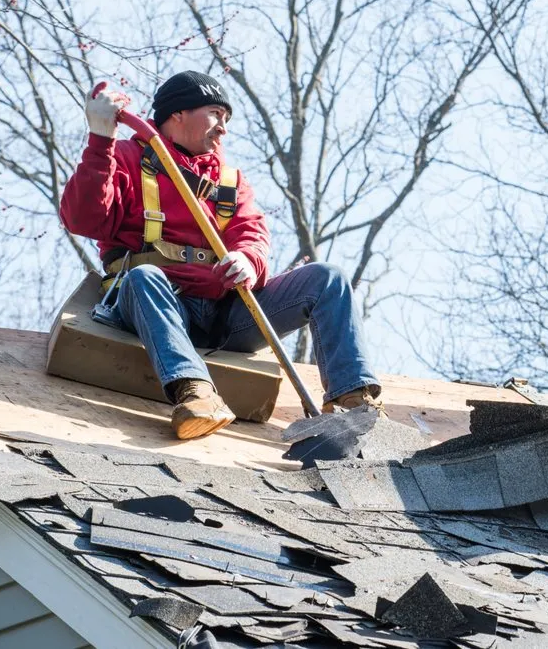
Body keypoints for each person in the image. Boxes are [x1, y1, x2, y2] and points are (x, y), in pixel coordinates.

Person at [60, 71, 381, 440]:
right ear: (178, 114)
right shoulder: (129, 158)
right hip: (158, 305)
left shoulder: (228, 181)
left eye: (226, 119)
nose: (223, 129)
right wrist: (101, 141)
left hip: (227, 314)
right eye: (215, 114)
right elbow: (83, 218)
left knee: (329, 278)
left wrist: (247, 260)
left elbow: (252, 234)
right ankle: (195, 392)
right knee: (143, 278)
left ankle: (353, 400)